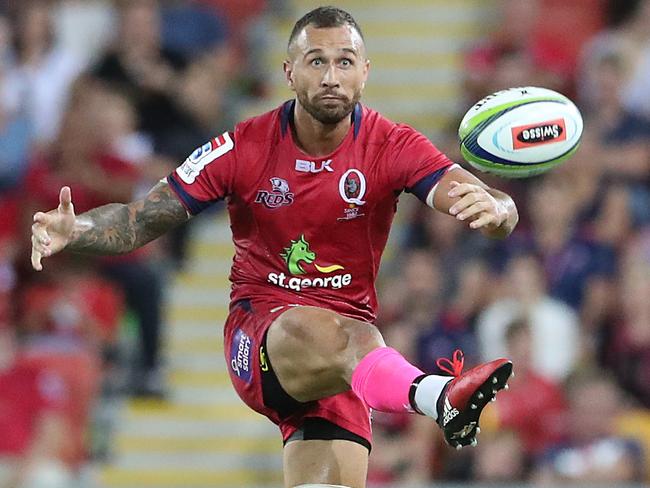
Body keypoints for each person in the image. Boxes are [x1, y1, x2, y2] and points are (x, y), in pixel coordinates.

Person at [30, 7, 519, 487]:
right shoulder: (243, 146)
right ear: (289, 72)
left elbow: (479, 198)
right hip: (262, 335)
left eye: (345, 62)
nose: (331, 76)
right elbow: (140, 219)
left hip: (344, 367)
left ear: (365, 72)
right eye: (317, 61)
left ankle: (428, 395)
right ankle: (440, 398)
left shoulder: (393, 145)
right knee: (354, 336)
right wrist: (77, 230)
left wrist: (499, 211)